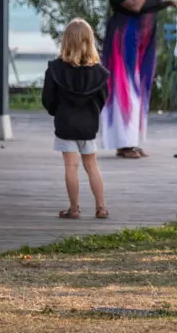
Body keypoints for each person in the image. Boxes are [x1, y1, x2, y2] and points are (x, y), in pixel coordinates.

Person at [101, 0, 177, 159]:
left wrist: (168, 2)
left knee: (140, 88)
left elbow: (152, 3)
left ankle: (131, 140)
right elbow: (134, 5)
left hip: (145, 38)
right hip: (124, 37)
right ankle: (123, 143)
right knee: (125, 88)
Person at [42, 19, 110, 220]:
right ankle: (101, 207)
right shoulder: (99, 73)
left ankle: (74, 209)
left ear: (65, 41)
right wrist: (92, 114)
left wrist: (57, 111)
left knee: (71, 166)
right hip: (88, 126)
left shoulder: (55, 69)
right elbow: (103, 99)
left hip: (65, 124)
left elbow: (48, 99)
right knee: (92, 166)